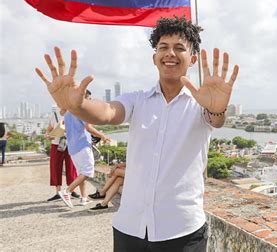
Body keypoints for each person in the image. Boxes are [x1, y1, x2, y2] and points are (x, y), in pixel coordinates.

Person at [35, 16, 239, 251]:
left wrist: (217, 107)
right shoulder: (137, 100)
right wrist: (77, 106)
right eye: (163, 47)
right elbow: (108, 112)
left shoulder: (201, 102)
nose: (170, 53)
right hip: (130, 228)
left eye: (179, 48)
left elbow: (216, 119)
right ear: (154, 58)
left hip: (183, 230)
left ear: (192, 58)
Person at [59, 90, 111, 208]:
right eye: (89, 98)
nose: (90, 100)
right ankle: (67, 191)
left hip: (72, 148)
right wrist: (103, 136)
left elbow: (66, 129)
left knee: (81, 173)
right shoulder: (81, 110)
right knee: (87, 172)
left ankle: (83, 198)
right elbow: (88, 127)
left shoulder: (67, 112)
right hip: (82, 145)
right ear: (83, 97)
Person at [45, 106, 80, 201]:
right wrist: (47, 135)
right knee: (55, 167)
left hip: (70, 144)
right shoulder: (54, 114)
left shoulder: (73, 113)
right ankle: (58, 192)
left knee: (71, 167)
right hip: (56, 144)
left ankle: (72, 191)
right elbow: (49, 128)